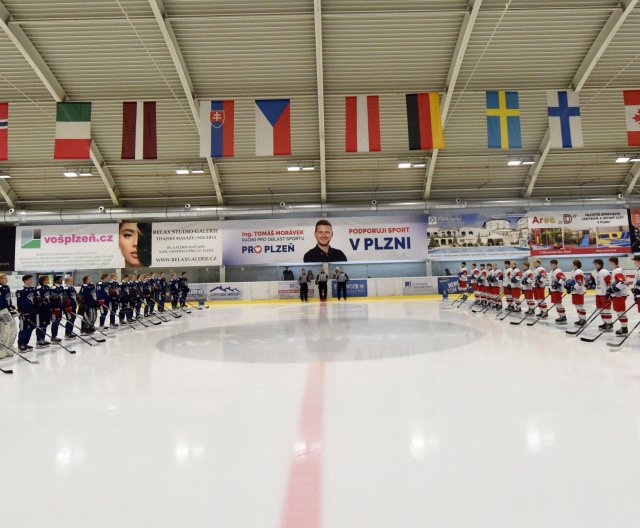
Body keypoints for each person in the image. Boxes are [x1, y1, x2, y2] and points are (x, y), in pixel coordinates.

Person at [607, 256, 629, 336]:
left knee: (621, 312)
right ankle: (623, 328)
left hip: (619, 295)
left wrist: (614, 289)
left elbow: (622, 282)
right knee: (619, 312)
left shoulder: (617, 271)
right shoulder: (616, 270)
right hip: (617, 295)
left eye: (609, 263)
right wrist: (611, 289)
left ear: (612, 262)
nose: (609, 264)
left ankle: (624, 329)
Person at [16, 274, 37, 351]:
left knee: (30, 328)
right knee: (23, 329)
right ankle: (21, 344)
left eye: (31, 279)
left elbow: (37, 300)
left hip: (33, 312)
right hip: (25, 313)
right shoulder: (20, 290)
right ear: (25, 281)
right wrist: (23, 311)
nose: (31, 281)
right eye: (29, 280)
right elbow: (20, 302)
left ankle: (25, 343)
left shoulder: (33, 289)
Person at [592, 259, 613, 332]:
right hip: (598, 293)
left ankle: (609, 324)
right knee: (600, 309)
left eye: (596, 264)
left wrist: (609, 292)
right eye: (594, 264)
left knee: (606, 310)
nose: (595, 265)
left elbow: (609, 283)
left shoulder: (605, 271)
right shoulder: (595, 272)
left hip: (604, 294)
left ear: (600, 264)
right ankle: (605, 323)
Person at [566, 259, 587, 326]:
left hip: (579, 291)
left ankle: (583, 319)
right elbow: (572, 281)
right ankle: (580, 318)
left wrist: (573, 288)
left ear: (575, 265)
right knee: (577, 306)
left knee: (580, 305)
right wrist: (569, 287)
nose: (572, 265)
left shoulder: (578, 272)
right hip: (575, 292)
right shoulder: (573, 271)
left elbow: (579, 283)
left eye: (573, 264)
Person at [0, 273, 16, 358]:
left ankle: (7, 346)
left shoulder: (6, 287)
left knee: (10, 329)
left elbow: (8, 300)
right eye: (5, 278)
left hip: (6, 311)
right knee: (4, 330)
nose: (6, 279)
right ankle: (2, 349)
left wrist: (10, 307)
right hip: (2, 311)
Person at [35, 275, 52, 346]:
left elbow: (49, 297)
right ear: (43, 280)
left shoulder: (48, 287)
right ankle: (39, 340)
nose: (49, 280)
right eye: (48, 279)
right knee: (41, 325)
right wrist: (42, 302)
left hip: (47, 309)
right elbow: (38, 298)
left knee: (45, 324)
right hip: (41, 310)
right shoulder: (39, 288)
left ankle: (43, 338)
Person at [549, 259, 567, 324]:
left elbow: (563, 278)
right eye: (550, 264)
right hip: (554, 290)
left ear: (555, 264)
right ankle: (560, 316)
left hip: (558, 290)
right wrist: (550, 288)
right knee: (556, 303)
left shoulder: (558, 271)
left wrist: (558, 284)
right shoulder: (552, 271)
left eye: (552, 264)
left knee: (558, 303)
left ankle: (563, 316)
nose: (551, 265)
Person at [49, 275, 65, 342]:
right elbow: (52, 297)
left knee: (57, 322)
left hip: (60, 308)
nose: (61, 281)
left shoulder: (61, 287)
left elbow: (63, 296)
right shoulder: (53, 288)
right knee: (55, 322)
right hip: (55, 308)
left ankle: (55, 336)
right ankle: (53, 336)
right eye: (60, 280)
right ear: (56, 280)